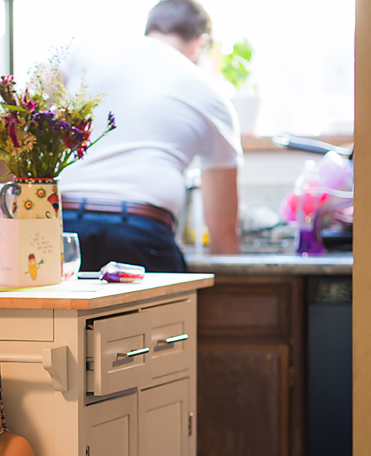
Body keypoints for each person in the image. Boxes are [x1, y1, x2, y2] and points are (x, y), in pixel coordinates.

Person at [58, 0, 242, 272]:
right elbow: (224, 231)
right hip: (141, 234)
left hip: (63, 224)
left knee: (56, 316)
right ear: (199, 43)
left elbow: (19, 115)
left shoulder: (86, 52)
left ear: (150, 30)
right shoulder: (211, 94)